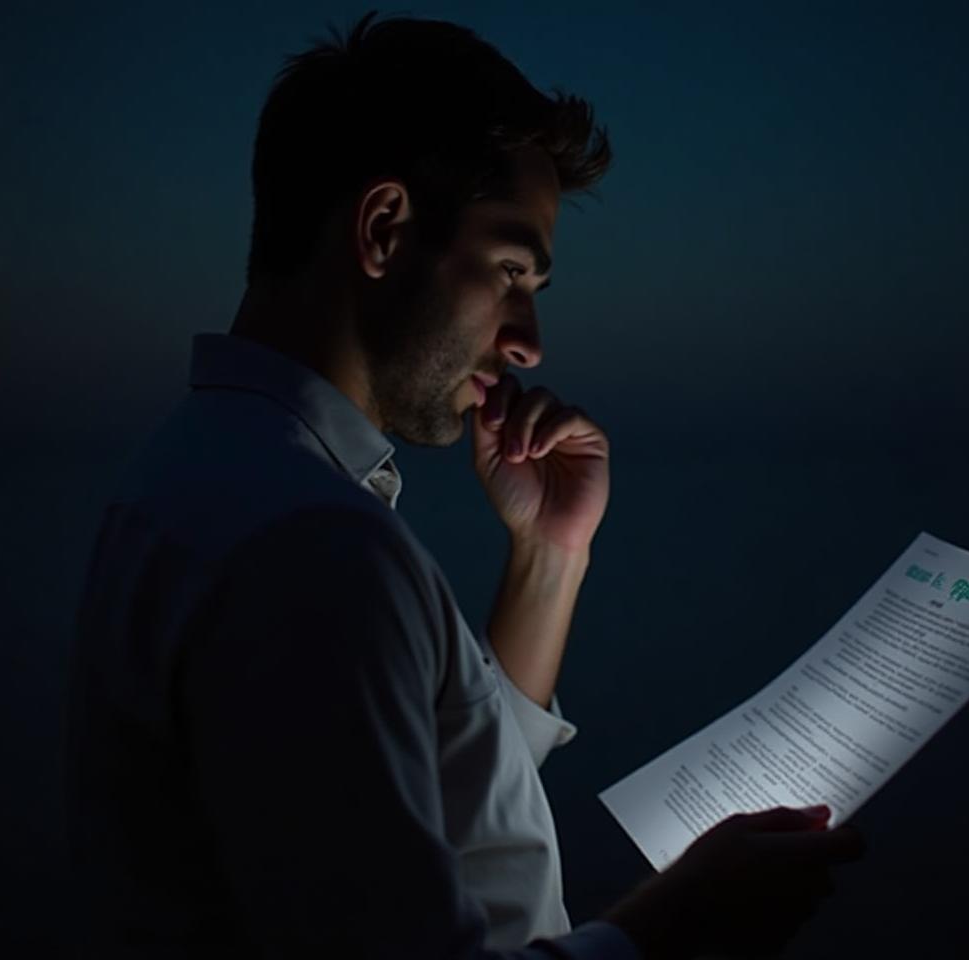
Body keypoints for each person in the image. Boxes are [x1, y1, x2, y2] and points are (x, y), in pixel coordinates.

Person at [64, 10, 864, 958]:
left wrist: (550, 554)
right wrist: (676, 928)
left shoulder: (208, 468)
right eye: (510, 269)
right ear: (384, 228)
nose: (528, 340)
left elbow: (421, 787)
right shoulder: (310, 548)